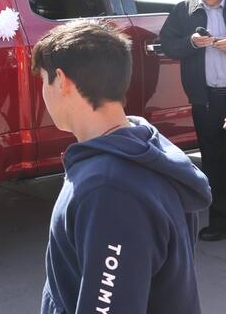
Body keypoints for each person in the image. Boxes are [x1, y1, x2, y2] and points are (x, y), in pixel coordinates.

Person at [34, 19, 210, 313]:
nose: (42, 92)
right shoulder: (142, 147)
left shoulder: (109, 190)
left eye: (43, 80)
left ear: (62, 81)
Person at [158, 0, 226, 240]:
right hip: (206, 99)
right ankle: (221, 222)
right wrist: (190, 43)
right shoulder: (183, 11)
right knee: (213, 159)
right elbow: (167, 45)